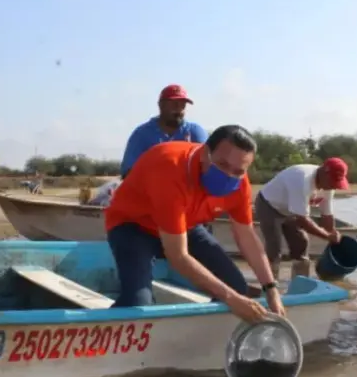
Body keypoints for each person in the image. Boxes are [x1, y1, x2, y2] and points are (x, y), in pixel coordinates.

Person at [105, 125, 284, 323]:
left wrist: (271, 289)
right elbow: (178, 256)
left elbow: (246, 235)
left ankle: (200, 339)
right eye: (223, 164)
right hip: (134, 225)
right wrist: (231, 298)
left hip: (186, 225)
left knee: (237, 287)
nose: (229, 176)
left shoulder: (239, 183)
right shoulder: (169, 168)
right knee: (138, 304)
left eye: (238, 170)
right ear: (205, 153)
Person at [256, 159, 351, 280]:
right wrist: (326, 236)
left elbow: (327, 214)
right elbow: (302, 220)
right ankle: (270, 284)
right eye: (333, 181)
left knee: (301, 242)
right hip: (269, 205)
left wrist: (332, 234)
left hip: (291, 210)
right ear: (323, 172)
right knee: (274, 248)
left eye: (337, 183)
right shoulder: (302, 180)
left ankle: (300, 282)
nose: (334, 186)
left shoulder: (328, 186)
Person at [119, 84, 208, 178]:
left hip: (188, 191)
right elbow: (129, 173)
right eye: (174, 104)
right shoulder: (142, 134)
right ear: (161, 105)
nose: (179, 109)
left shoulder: (195, 132)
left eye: (183, 105)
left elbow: (210, 166)